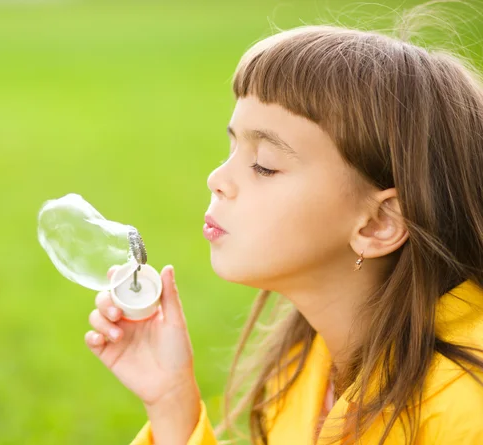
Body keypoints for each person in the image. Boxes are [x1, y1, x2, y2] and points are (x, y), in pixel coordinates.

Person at [84, 22, 483, 445]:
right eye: (233, 148)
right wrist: (172, 404)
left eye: (264, 164)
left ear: (379, 223)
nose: (216, 178)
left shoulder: (466, 410)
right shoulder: (305, 366)